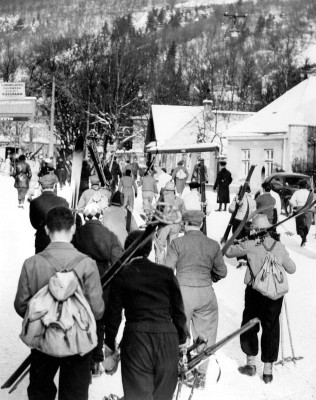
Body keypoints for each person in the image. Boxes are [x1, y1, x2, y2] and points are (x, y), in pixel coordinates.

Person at [14, 206, 104, 400]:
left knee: (40, 393)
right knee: (74, 395)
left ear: (46, 230)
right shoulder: (87, 263)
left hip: (43, 339)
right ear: (73, 229)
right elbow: (97, 310)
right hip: (78, 343)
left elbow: (21, 305)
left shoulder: (32, 263)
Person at [104, 230, 187, 400]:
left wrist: (110, 347)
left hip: (137, 340)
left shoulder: (122, 274)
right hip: (168, 339)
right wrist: (181, 343)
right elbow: (179, 312)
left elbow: (114, 315)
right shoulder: (166, 274)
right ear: (149, 250)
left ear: (127, 250)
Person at [225, 214, 296, 384]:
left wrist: (243, 238)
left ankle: (250, 364)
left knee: (250, 324)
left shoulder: (250, 245)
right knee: (271, 328)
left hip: (255, 292)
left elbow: (227, 251)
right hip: (275, 295)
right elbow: (292, 269)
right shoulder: (279, 246)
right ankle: (268, 371)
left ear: (255, 230)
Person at [165, 210, 227, 388]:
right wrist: (211, 275)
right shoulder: (212, 244)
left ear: (185, 224)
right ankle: (200, 375)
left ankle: (183, 369)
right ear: (200, 224)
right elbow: (222, 271)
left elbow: (167, 270)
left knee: (180, 333)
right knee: (205, 336)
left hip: (182, 293)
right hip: (206, 293)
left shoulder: (177, 243)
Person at [72, 202, 123, 377]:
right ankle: (95, 360)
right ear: (100, 216)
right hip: (104, 282)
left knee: (80, 317)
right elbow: (118, 260)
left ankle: (80, 356)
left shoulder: (77, 234)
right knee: (99, 320)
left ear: (85, 217)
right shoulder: (110, 235)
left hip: (81, 279)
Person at [29, 174, 69, 253]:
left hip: (41, 239)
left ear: (41, 187)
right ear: (54, 186)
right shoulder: (63, 202)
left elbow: (34, 223)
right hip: (58, 240)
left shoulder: (34, 202)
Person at [154, 181, 184, 264]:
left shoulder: (162, 199)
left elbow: (157, 213)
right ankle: (170, 267)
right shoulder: (180, 200)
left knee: (160, 247)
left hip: (164, 226)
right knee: (172, 248)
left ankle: (159, 266)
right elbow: (183, 214)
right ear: (174, 190)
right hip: (175, 226)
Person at [289, 180, 312, 247]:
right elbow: (312, 201)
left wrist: (295, 206)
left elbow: (292, 201)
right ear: (306, 186)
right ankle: (305, 236)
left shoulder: (297, 192)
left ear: (299, 186)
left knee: (300, 225)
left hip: (300, 209)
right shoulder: (309, 193)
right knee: (307, 224)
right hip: (308, 209)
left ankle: (303, 237)